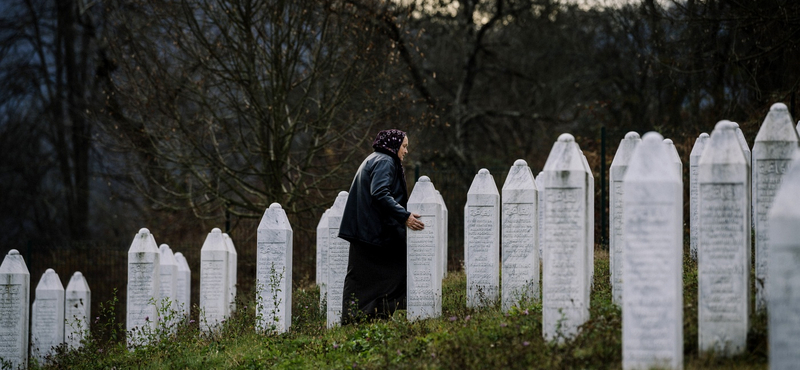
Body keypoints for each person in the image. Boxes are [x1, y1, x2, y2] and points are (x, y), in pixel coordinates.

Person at [338, 129, 424, 324]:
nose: (406, 151)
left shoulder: (374, 158)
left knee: (361, 278)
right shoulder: (385, 161)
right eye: (404, 146)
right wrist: (405, 217)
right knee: (401, 269)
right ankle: (376, 314)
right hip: (374, 234)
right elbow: (380, 192)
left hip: (365, 232)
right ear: (393, 146)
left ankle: (360, 318)